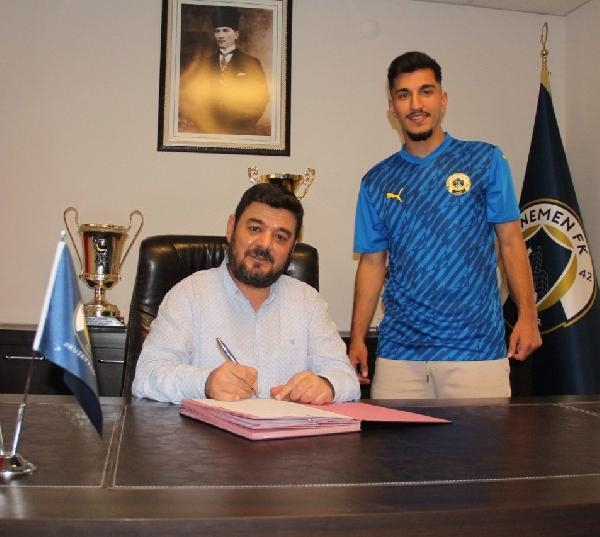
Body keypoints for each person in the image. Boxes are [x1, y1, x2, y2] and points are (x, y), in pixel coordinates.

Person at [349, 51, 541, 399]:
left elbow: (512, 243)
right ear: (392, 106)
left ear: (443, 99)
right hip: (399, 356)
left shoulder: (485, 160)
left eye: (426, 91)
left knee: (483, 440)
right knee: (392, 439)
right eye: (404, 95)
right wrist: (358, 338)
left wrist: (528, 317)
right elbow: (372, 263)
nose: (415, 104)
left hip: (476, 351)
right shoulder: (376, 181)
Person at [133, 183, 360, 404]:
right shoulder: (189, 295)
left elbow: (347, 379)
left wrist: (326, 385)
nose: (264, 244)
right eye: (255, 229)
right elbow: (146, 377)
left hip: (287, 429)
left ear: (292, 247)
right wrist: (205, 382)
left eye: (280, 237)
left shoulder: (308, 302)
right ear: (231, 228)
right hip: (209, 430)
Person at [178, 6, 270, 135]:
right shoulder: (206, 63)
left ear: (236, 34)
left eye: (225, 30)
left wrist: (244, 126)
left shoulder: (252, 63)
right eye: (217, 31)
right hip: (208, 131)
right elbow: (196, 98)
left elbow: (262, 98)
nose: (220, 35)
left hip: (241, 131)